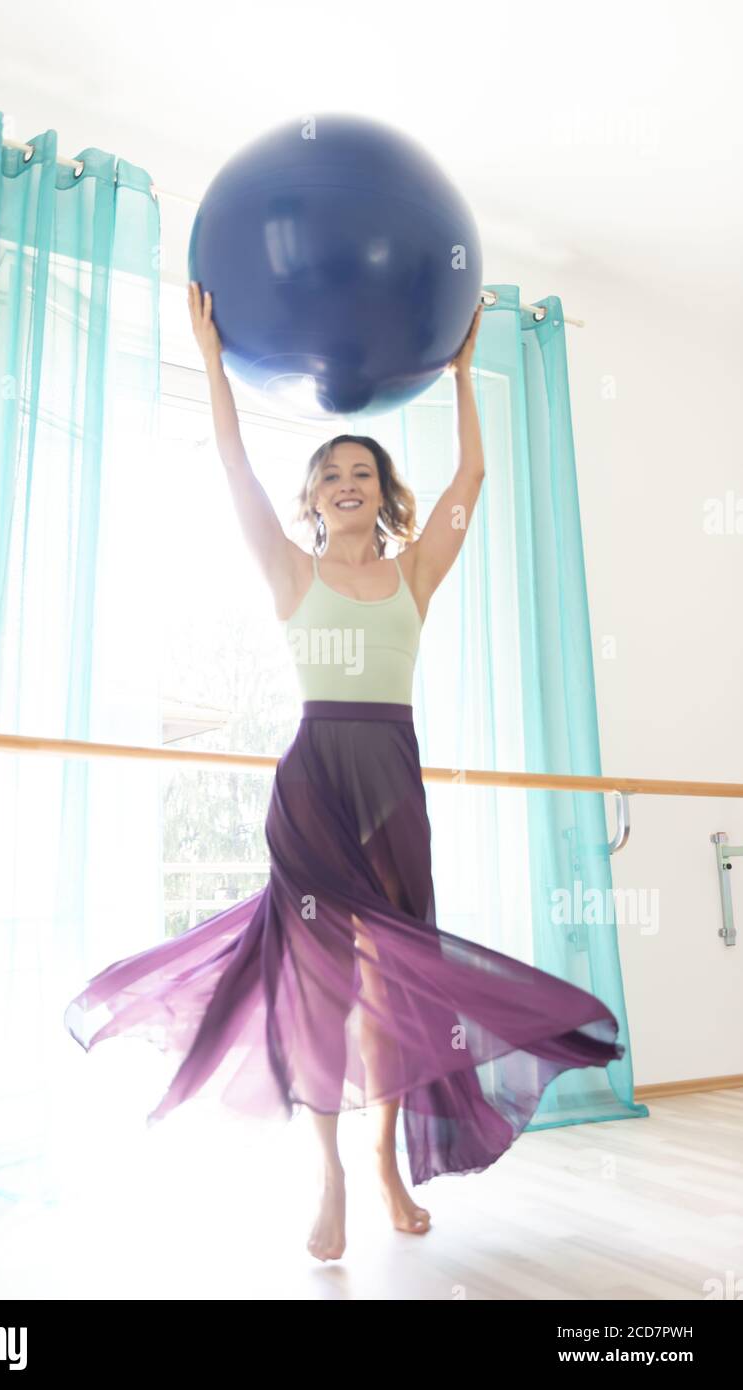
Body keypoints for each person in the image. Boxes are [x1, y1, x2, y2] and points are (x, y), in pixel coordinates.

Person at [64, 285, 625, 1264]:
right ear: (316, 498)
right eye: (333, 472)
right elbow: (233, 464)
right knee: (320, 994)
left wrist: (460, 377)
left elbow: (475, 478)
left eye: (364, 469)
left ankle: (384, 1159)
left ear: (383, 491)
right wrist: (207, 355)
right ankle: (326, 1171)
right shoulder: (291, 572)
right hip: (315, 784)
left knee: (399, 986)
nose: (349, 480)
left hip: (391, 789)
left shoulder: (413, 573)